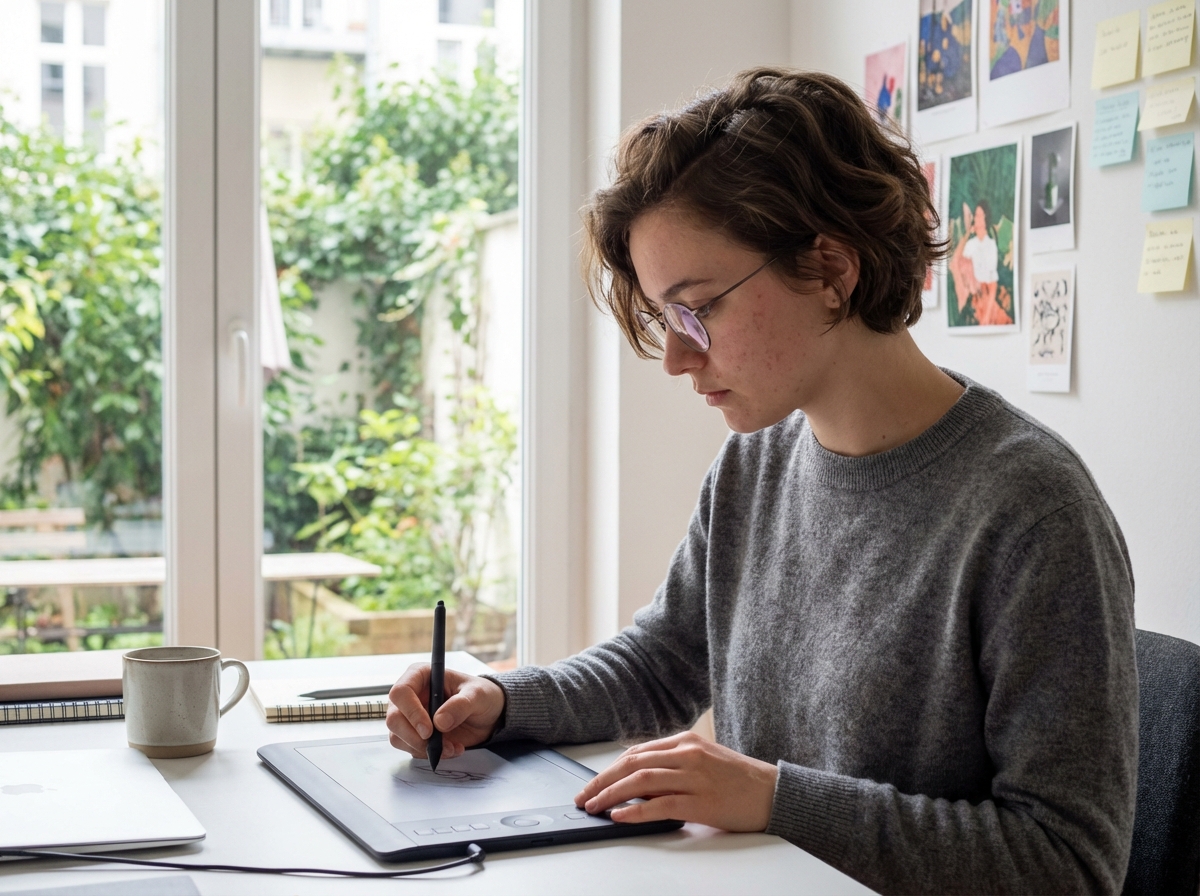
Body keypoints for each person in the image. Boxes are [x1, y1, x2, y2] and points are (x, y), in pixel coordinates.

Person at [386, 68, 1137, 894]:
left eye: (698, 308)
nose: (676, 357)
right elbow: (664, 663)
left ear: (830, 269)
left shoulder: (1031, 510)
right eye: (667, 319)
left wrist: (778, 801)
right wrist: (502, 700)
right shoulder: (759, 459)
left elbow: (1068, 864)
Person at [950, 198, 1014, 327]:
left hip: (985, 301)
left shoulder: (990, 245)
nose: (976, 218)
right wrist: (968, 233)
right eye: (976, 215)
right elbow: (954, 263)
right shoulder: (970, 244)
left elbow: (992, 285)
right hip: (970, 299)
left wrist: (987, 315)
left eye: (979, 215)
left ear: (986, 218)